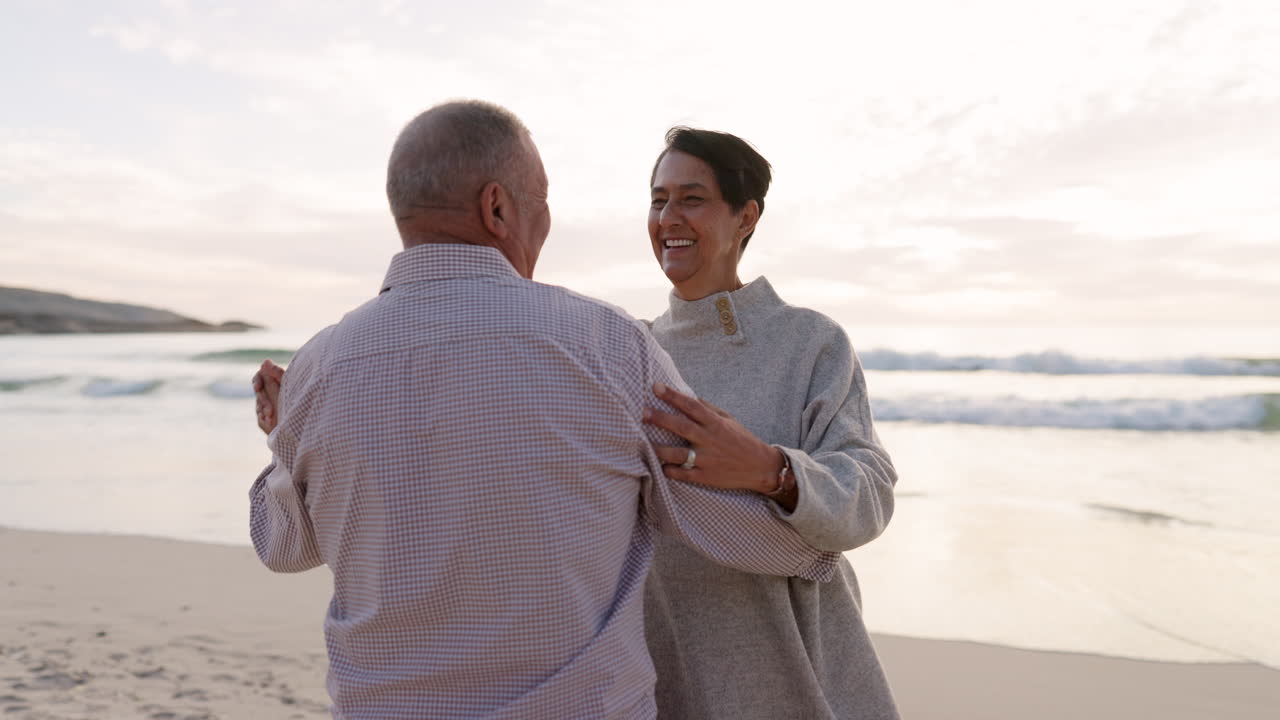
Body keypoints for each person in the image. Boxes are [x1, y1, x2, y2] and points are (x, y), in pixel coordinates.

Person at [247, 100, 838, 719]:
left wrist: (284, 439)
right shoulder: (606, 346)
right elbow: (722, 523)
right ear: (497, 208)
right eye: (542, 198)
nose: (546, 218)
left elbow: (282, 546)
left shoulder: (320, 367)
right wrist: (809, 539)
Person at [638, 127, 900, 719]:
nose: (668, 217)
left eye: (692, 198)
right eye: (659, 200)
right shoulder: (634, 350)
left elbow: (871, 495)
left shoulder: (809, 342)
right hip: (667, 677)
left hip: (801, 671)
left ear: (745, 217)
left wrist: (771, 470)